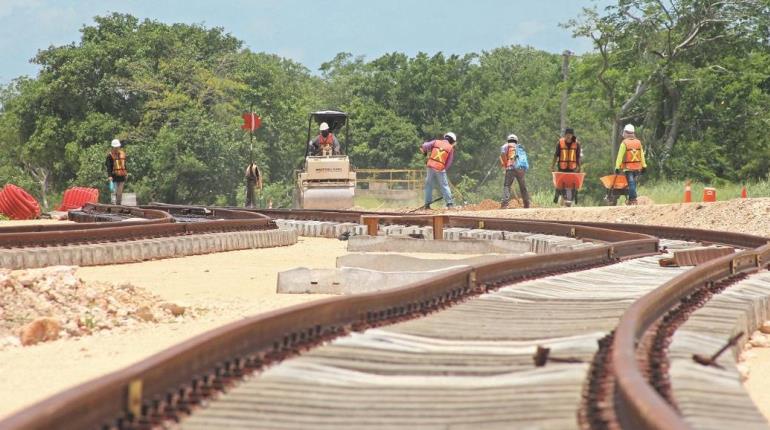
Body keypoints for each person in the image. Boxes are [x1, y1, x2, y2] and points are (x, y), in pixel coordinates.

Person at [420, 132, 457, 209]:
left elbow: (424, 146)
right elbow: (449, 162)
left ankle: (427, 205)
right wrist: (443, 169)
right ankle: (449, 204)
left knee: (428, 185)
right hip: (440, 168)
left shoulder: (436, 142)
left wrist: (425, 151)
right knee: (444, 185)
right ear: (451, 140)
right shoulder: (450, 148)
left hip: (430, 166)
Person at [615, 124, 647, 205]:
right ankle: (631, 199)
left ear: (625, 133)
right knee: (633, 183)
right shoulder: (638, 142)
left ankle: (633, 199)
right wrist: (644, 166)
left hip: (628, 168)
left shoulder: (624, 143)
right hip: (637, 167)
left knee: (631, 183)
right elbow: (642, 155)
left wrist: (617, 167)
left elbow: (620, 156)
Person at [550, 128, 581, 204]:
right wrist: (552, 166)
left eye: (570, 135)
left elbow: (578, 157)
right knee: (559, 183)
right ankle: (557, 196)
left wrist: (579, 167)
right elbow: (555, 155)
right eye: (567, 135)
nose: (568, 136)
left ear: (572, 135)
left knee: (573, 184)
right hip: (562, 167)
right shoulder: (560, 143)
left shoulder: (577, 144)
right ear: (565, 135)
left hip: (572, 168)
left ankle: (573, 197)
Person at [499, 133, 531, 208]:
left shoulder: (506, 146)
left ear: (508, 140)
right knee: (523, 186)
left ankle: (504, 204)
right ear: (516, 140)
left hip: (511, 167)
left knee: (507, 185)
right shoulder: (519, 147)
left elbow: (503, 153)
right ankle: (526, 204)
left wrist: (505, 163)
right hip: (521, 168)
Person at [105, 139, 127, 205]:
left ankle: (118, 204)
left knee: (119, 192)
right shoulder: (109, 156)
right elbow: (109, 167)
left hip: (122, 176)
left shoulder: (122, 154)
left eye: (118, 147)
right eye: (115, 147)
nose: (117, 148)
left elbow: (124, 165)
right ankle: (114, 205)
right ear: (113, 147)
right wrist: (109, 176)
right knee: (114, 192)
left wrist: (126, 174)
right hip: (114, 177)